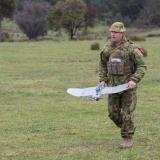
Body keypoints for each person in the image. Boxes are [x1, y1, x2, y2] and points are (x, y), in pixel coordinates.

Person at [99, 22, 147, 149]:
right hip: (113, 88)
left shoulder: (131, 49)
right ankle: (128, 126)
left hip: (128, 88)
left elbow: (142, 66)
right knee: (112, 114)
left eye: (116, 32)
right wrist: (103, 80)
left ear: (122, 33)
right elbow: (103, 65)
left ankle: (127, 138)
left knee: (127, 113)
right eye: (111, 32)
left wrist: (134, 80)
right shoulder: (107, 49)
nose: (113, 34)